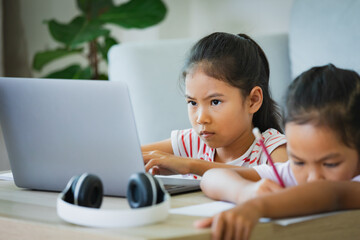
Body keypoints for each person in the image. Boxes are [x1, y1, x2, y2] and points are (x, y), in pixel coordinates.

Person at [195, 64, 360, 240]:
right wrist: (245, 192)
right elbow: (212, 177)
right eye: (299, 161)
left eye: (330, 164)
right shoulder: (292, 172)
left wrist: (258, 206)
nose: (312, 178)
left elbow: (332, 194)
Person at [142, 32, 288, 177]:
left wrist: (190, 166)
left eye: (215, 102)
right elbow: (130, 157)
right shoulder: (194, 142)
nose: (201, 119)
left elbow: (280, 178)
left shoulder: (272, 148)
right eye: (192, 102)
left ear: (253, 100)